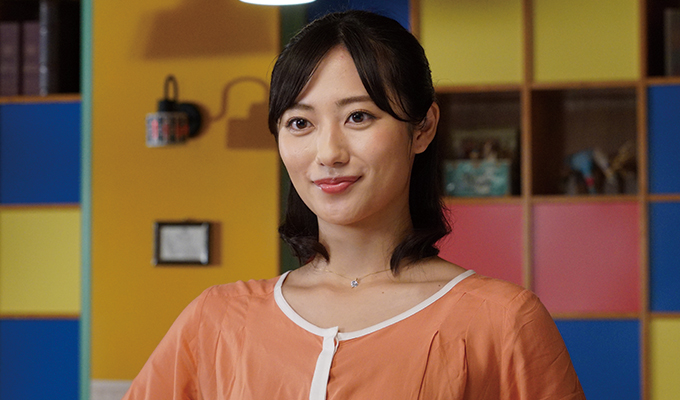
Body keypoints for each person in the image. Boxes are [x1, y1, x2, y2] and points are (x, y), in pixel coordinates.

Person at [123, 10, 585, 400]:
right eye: (300, 122)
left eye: (358, 116)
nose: (328, 152)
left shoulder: (502, 321)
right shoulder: (216, 319)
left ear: (422, 128)